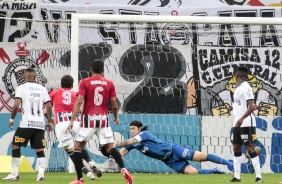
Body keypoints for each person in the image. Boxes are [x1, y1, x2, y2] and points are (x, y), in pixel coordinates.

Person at [66, 59, 133, 184]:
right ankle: (124, 170)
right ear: (103, 70)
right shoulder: (109, 83)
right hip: (103, 119)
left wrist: (71, 120)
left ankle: (79, 179)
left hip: (88, 119)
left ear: (91, 69)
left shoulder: (85, 82)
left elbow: (79, 101)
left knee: (78, 147)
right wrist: (116, 116)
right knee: (110, 147)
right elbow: (113, 103)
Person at [115, 120, 233, 175]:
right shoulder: (133, 143)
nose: (131, 131)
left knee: (201, 157)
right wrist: (113, 156)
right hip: (169, 160)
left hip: (174, 150)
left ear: (139, 129)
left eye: (133, 129)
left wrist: (114, 144)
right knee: (193, 173)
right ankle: (215, 171)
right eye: (130, 129)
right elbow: (123, 152)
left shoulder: (143, 134)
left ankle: (228, 163)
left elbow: (129, 142)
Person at [2, 67, 53, 181]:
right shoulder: (42, 89)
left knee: (15, 145)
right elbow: (49, 105)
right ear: (35, 77)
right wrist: (49, 121)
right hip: (39, 124)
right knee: (39, 149)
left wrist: (11, 119)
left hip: (26, 123)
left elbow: (16, 105)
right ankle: (40, 175)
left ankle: (14, 174)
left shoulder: (21, 87)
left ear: (24, 77)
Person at [48, 75, 102, 180]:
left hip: (62, 124)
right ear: (72, 85)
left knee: (71, 152)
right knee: (79, 147)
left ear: (60, 84)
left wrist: (50, 120)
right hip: (76, 123)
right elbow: (82, 110)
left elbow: (46, 110)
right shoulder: (75, 94)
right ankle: (90, 162)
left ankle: (87, 174)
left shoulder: (53, 93)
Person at [229, 66, 263, 182]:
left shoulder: (246, 87)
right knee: (236, 147)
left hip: (247, 122)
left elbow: (252, 106)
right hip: (237, 122)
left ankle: (259, 177)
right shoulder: (239, 88)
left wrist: (242, 118)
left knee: (250, 147)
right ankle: (237, 176)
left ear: (236, 75)